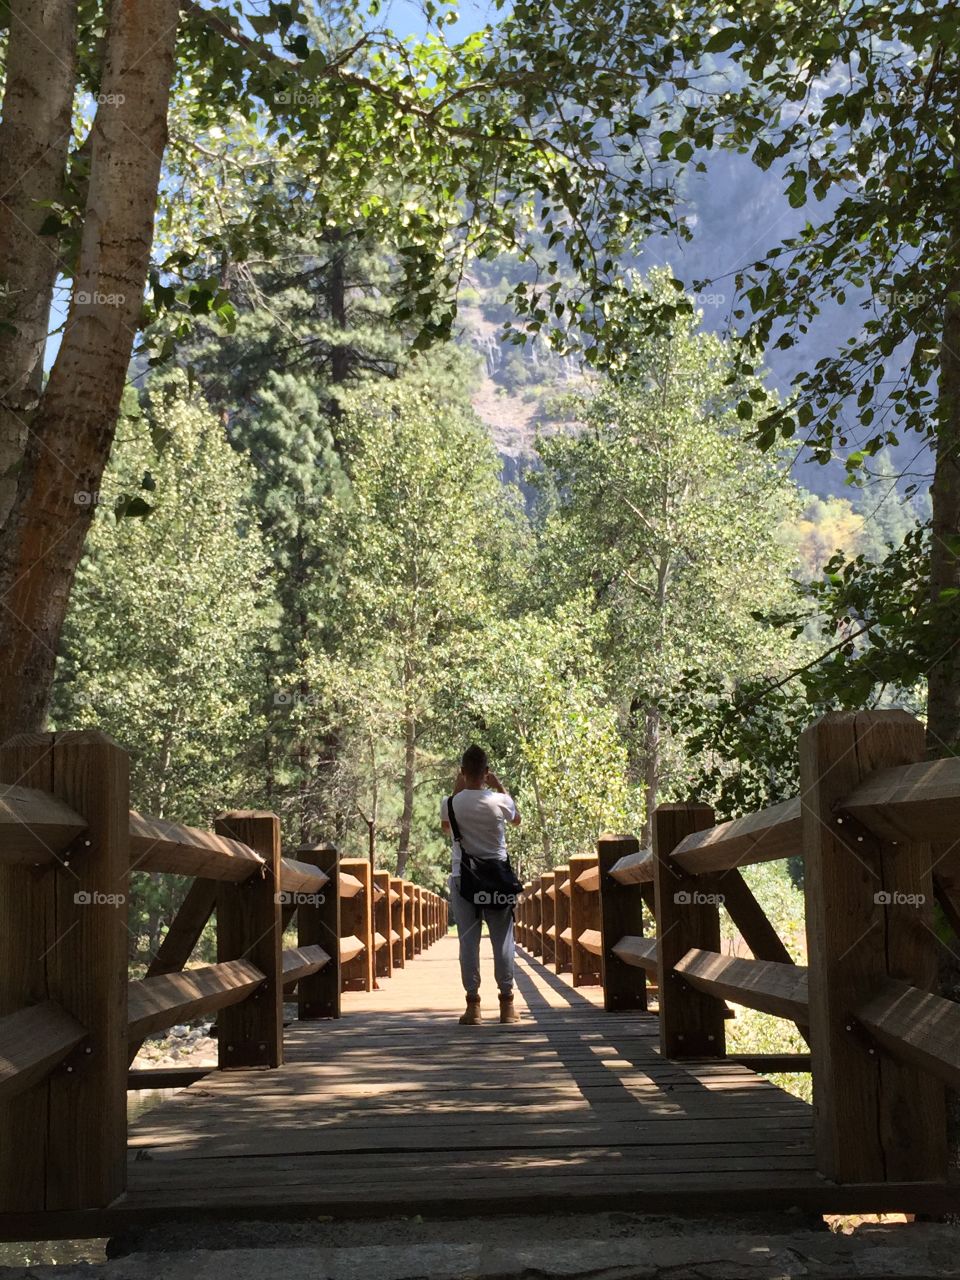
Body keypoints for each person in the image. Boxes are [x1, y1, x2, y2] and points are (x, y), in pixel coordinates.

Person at [441, 744, 522, 1025]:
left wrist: (456, 788)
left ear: (462, 772)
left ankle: (473, 1006)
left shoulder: (450, 803)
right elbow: (517, 820)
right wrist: (499, 785)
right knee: (502, 940)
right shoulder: (500, 801)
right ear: (486, 772)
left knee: (468, 941)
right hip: (497, 879)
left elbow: (446, 826)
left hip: (464, 879)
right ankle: (507, 1005)